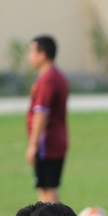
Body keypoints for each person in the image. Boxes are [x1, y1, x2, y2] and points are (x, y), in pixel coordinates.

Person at [26, 35, 69, 203]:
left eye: (32, 51)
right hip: (57, 140)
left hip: (47, 143)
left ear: (42, 55)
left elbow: (41, 113)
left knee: (48, 192)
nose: (29, 56)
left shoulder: (47, 79)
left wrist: (33, 144)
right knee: (46, 190)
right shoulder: (57, 76)